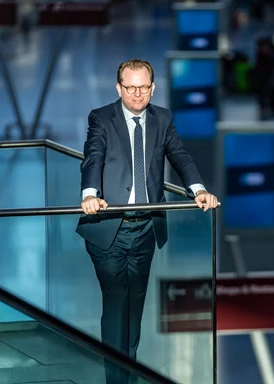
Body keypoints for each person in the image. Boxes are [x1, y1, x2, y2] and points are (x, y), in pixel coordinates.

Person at [75, 58, 218, 384]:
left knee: (135, 304)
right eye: (131, 87)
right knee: (116, 302)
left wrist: (198, 190)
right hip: (109, 228)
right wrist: (89, 193)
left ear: (153, 88)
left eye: (143, 87)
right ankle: (116, 378)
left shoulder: (163, 119)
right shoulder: (102, 118)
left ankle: (130, 373)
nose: (137, 94)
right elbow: (93, 156)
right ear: (119, 88)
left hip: (146, 228)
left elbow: (179, 155)